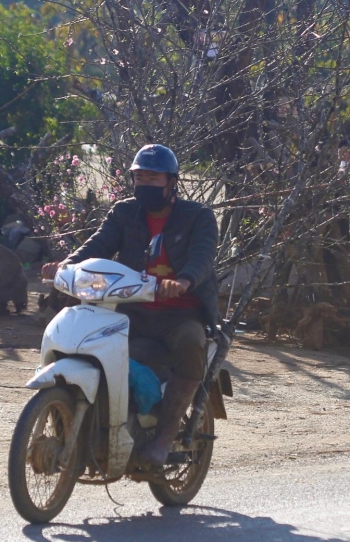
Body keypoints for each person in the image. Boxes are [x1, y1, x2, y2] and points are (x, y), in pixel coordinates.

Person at [40, 144, 218, 466]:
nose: (145, 185)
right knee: (87, 340)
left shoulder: (199, 217)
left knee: (193, 343)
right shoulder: (124, 212)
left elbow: (202, 257)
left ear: (171, 182)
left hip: (179, 313)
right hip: (129, 308)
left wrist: (183, 282)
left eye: (153, 178)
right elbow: (98, 245)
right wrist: (64, 266)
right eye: (139, 178)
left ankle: (163, 437)